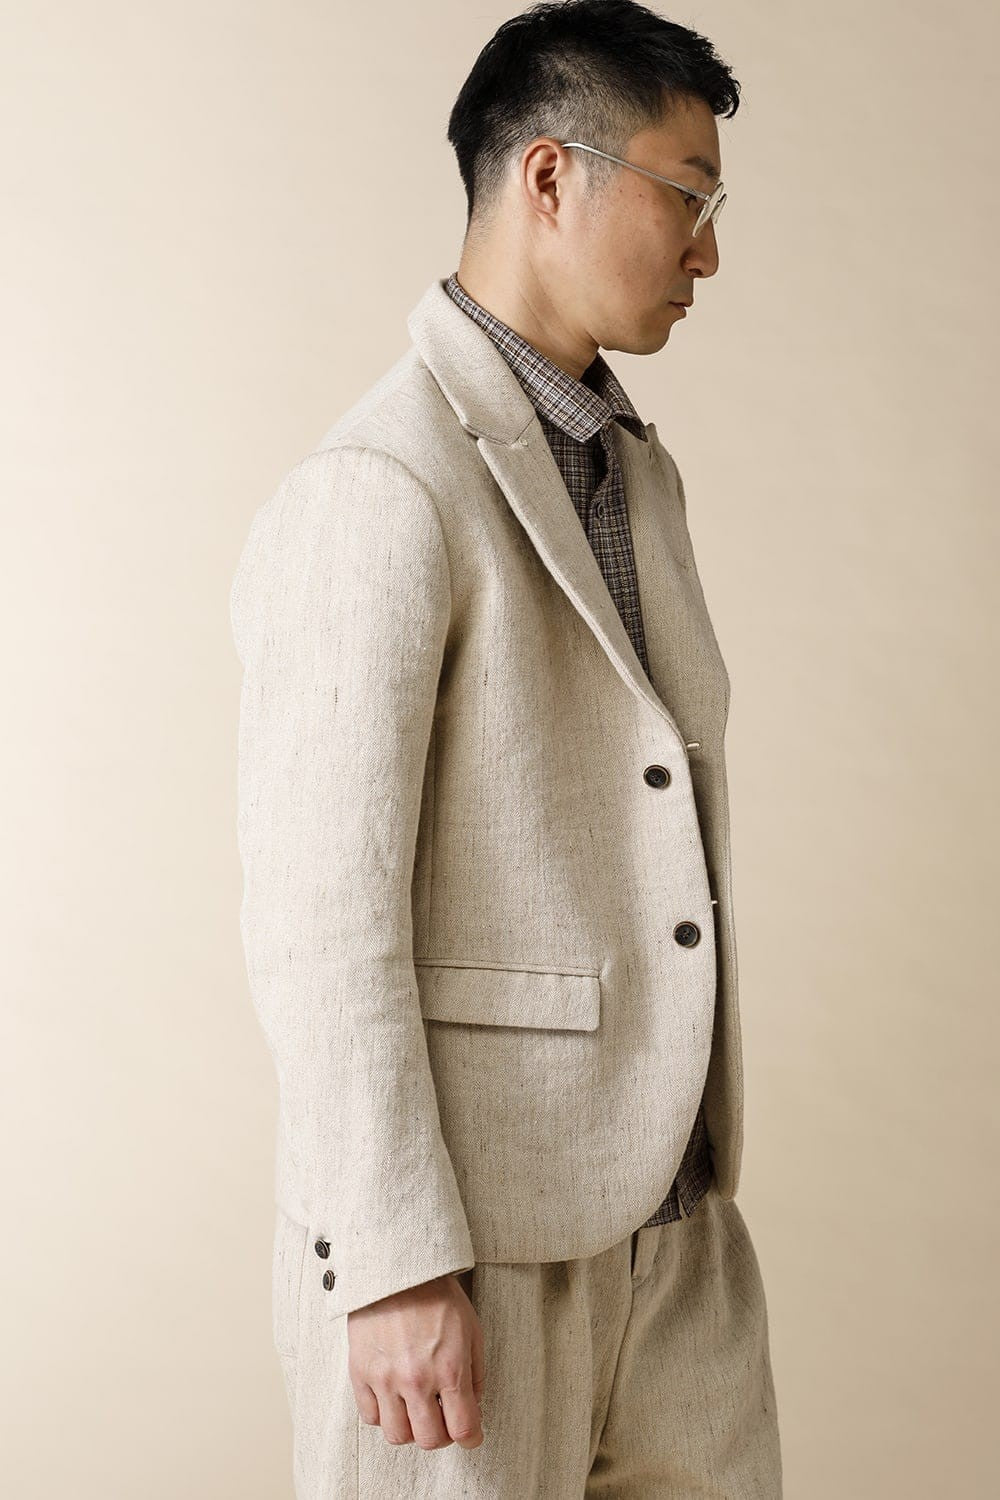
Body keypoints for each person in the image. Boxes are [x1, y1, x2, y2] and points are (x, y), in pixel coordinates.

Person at [230, 2, 782, 1494]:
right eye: (689, 195)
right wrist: (391, 1260)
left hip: (675, 1230)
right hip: (460, 1246)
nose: (708, 252)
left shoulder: (636, 475)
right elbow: (319, 915)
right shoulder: (379, 485)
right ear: (550, 176)